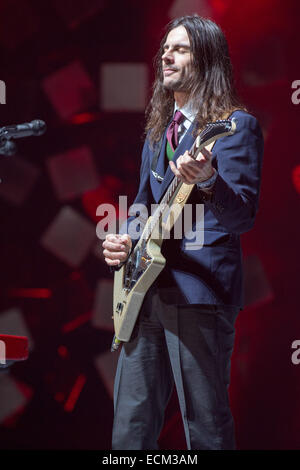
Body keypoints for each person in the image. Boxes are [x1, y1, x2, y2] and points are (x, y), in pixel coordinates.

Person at [102, 15, 264, 450]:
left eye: (181, 49)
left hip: (199, 294)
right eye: (164, 49)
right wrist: (125, 240)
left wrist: (210, 180)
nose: (166, 56)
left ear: (207, 59)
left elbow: (242, 217)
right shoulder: (159, 132)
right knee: (130, 428)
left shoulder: (235, 126)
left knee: (205, 426)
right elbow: (142, 203)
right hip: (144, 294)